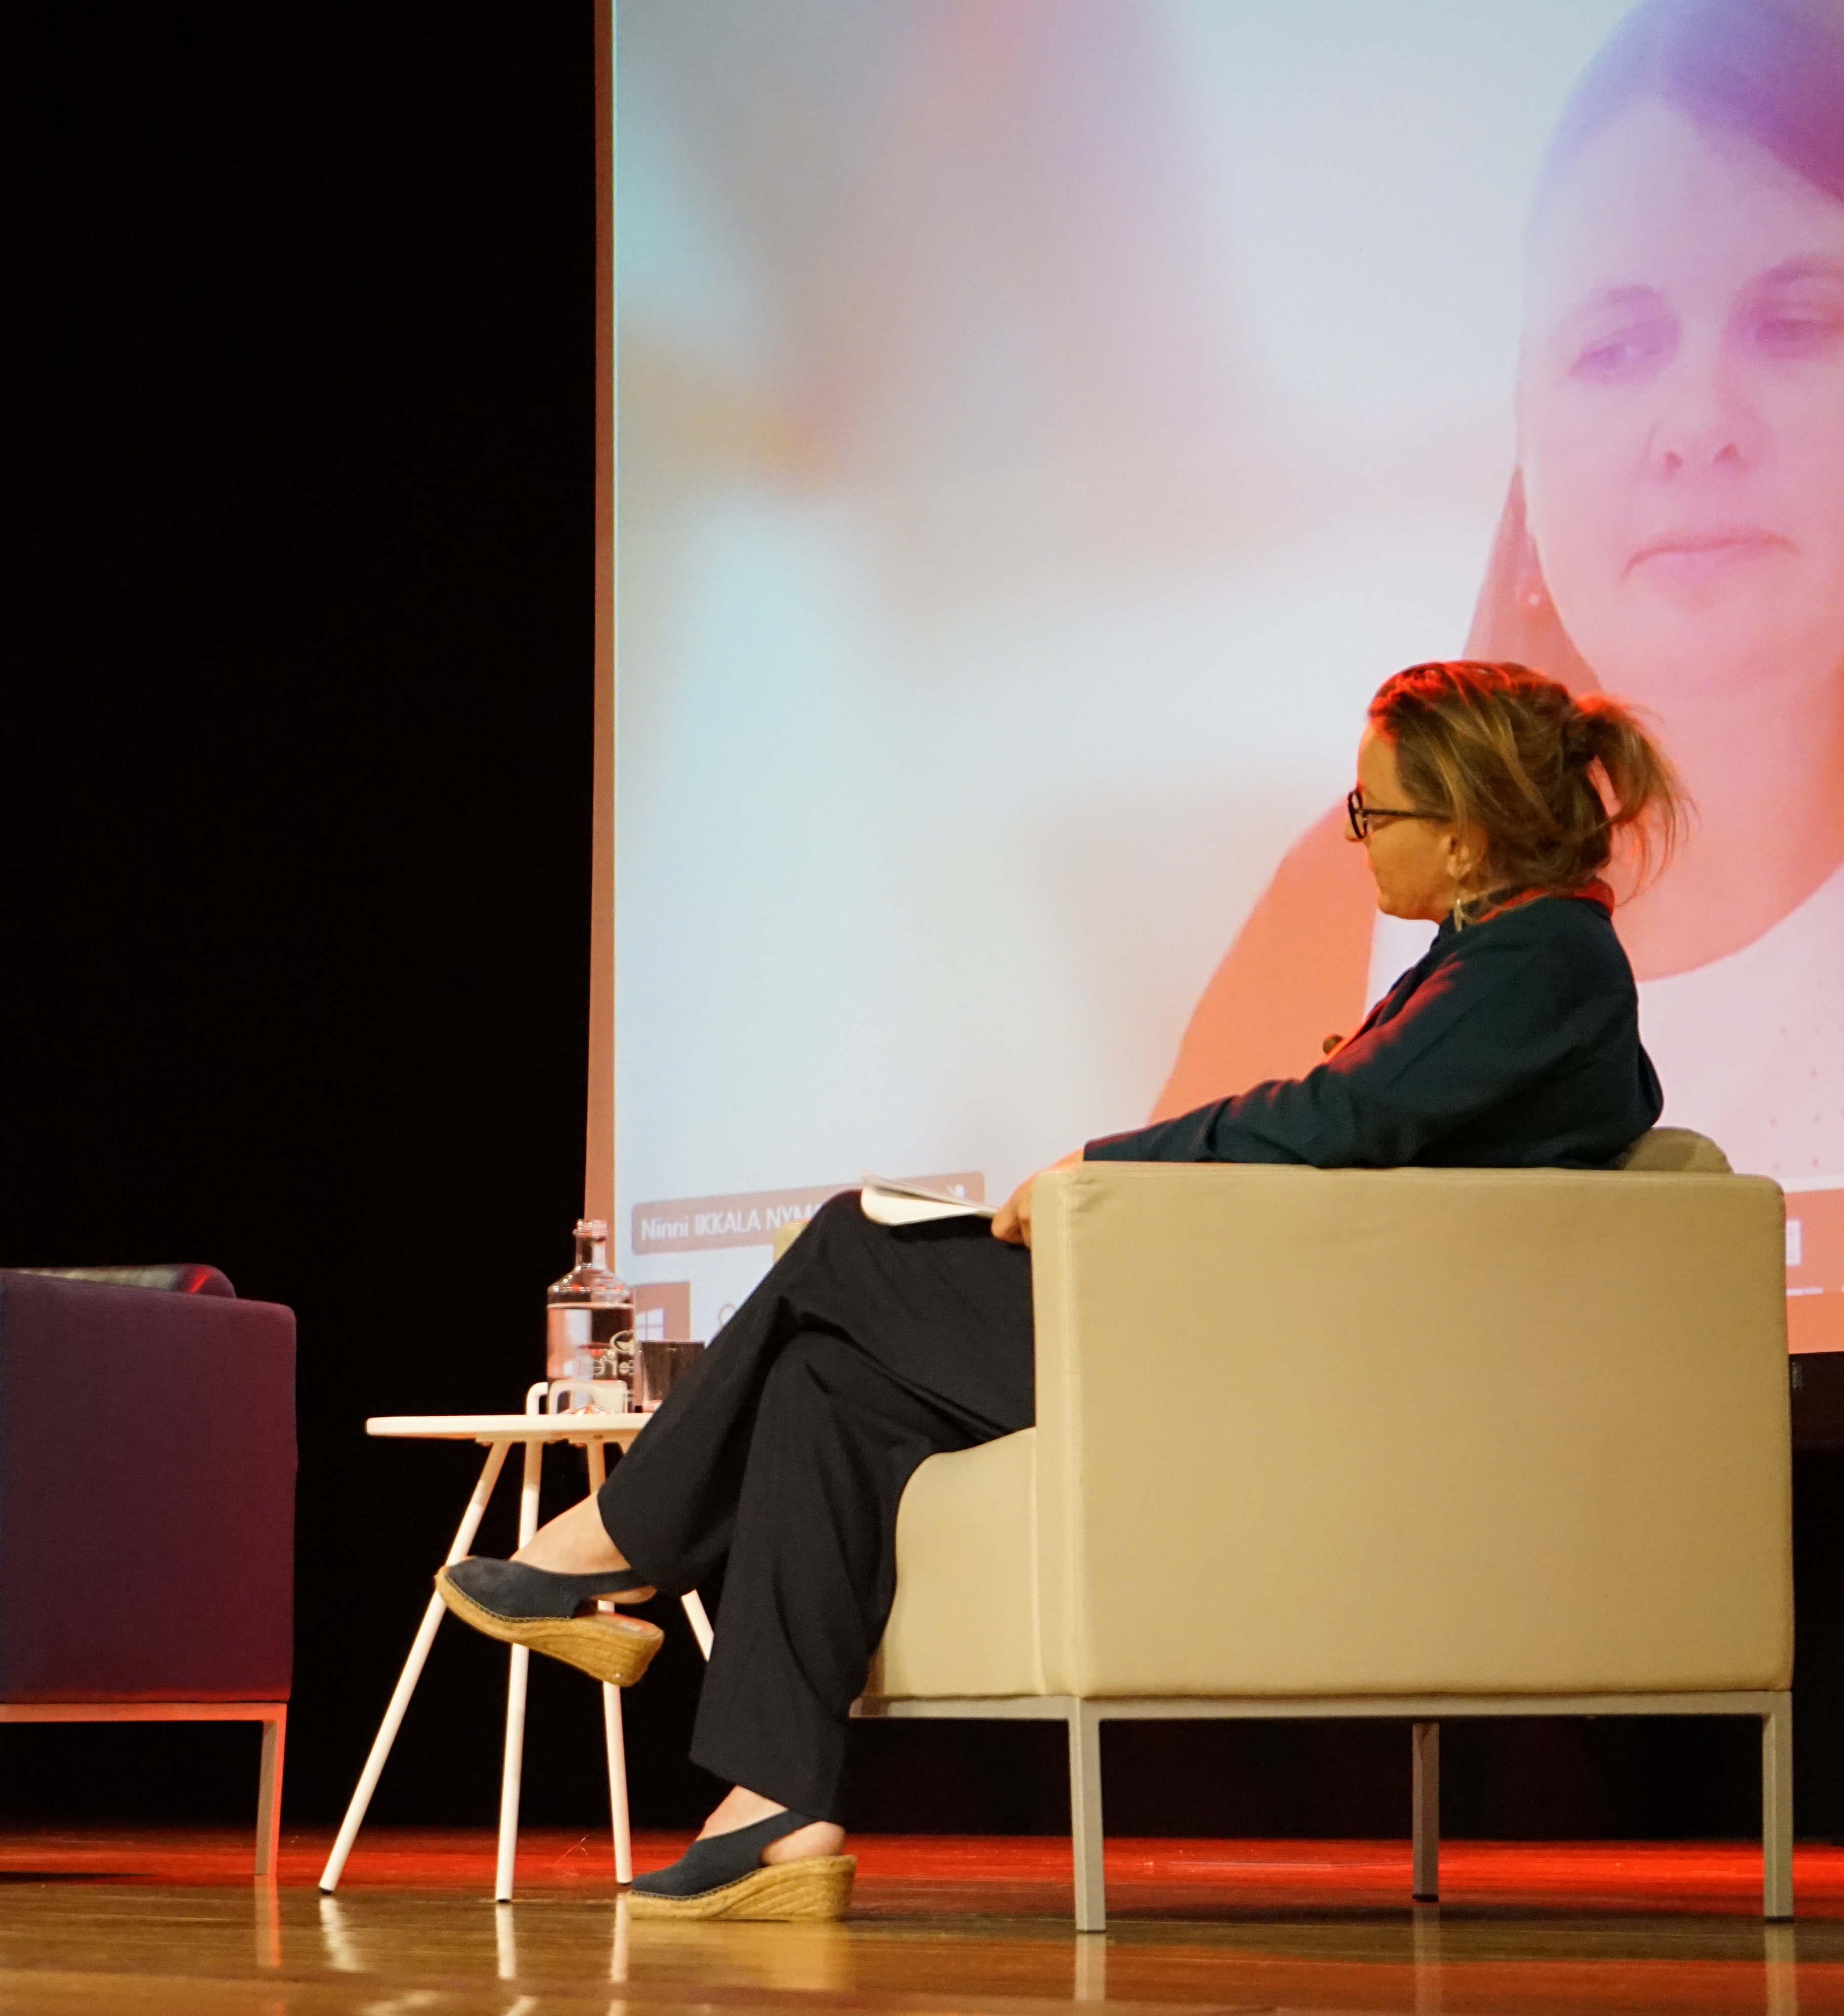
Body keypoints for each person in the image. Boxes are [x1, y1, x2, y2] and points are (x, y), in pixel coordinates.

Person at [439, 661, 1686, 1921]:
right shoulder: (1499, 958)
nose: (1357, 836)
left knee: (848, 1243)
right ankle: (775, 1803)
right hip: (1272, 1337)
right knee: (825, 1383)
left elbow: (1339, 1117)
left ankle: (620, 1543)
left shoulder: (1543, 958)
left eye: (1376, 812)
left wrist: (1103, 1164)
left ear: (1464, 837)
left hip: (1283, 1371)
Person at [1159, 0, 1844, 1191]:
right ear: (1525, 443)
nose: (1699, 426)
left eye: (1793, 325)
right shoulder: (1346, 892)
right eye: (1617, 347)